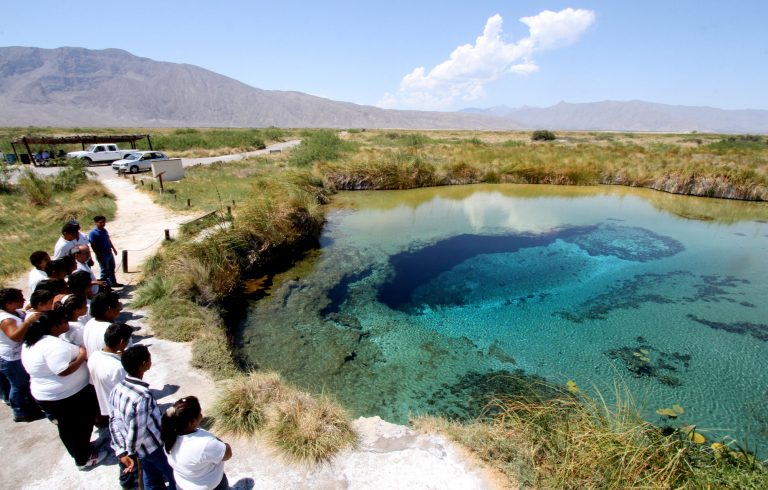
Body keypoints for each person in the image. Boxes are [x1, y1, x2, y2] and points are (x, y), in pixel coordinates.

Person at [21, 310, 106, 469]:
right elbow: (62, 370)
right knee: (79, 425)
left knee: (68, 427)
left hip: (53, 395)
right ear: (54, 327)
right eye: (63, 322)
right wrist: (82, 354)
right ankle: (83, 459)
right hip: (66, 397)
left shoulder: (33, 341)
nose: (67, 324)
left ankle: (81, 449)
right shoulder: (51, 345)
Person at [109, 345, 176, 490]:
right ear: (143, 365)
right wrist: (131, 453)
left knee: (151, 478)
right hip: (154, 447)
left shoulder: (117, 389)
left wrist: (122, 451)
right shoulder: (142, 396)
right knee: (175, 476)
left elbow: (113, 421)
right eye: (149, 358)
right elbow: (137, 430)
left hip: (140, 451)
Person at [88, 323, 135, 488]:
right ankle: (128, 481)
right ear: (122, 341)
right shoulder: (117, 368)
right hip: (121, 412)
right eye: (128, 340)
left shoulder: (95, 356)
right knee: (129, 449)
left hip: (106, 405)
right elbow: (128, 391)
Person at [162, 396, 232, 490]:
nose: (202, 416)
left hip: (184, 485)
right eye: (199, 413)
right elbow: (228, 454)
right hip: (211, 487)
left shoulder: (169, 437)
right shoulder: (205, 444)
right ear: (191, 422)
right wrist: (218, 441)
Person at [0, 288, 45, 422]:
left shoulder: (15, 312)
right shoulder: (6, 320)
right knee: (19, 385)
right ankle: (19, 411)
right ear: (8, 303)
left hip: (17, 355)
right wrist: (27, 322)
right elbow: (14, 336)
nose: (24, 300)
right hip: (11, 358)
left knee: (22, 383)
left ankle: (28, 406)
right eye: (19, 299)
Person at [83, 291, 122, 357]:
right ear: (109, 309)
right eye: (118, 304)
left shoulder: (90, 322)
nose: (120, 307)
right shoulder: (113, 330)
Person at [89, 216, 122, 288]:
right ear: (96, 223)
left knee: (112, 268)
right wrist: (98, 254)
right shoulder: (93, 233)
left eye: (104, 222)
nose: (103, 224)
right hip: (102, 254)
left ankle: (113, 283)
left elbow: (108, 240)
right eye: (100, 222)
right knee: (104, 272)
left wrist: (113, 248)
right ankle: (105, 287)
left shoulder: (104, 230)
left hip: (109, 252)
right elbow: (93, 245)